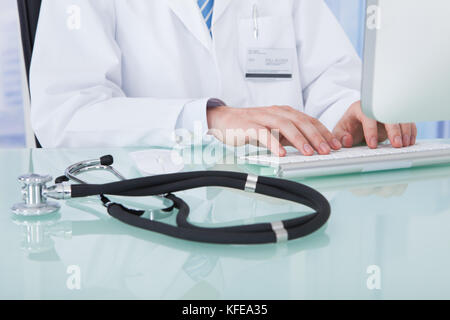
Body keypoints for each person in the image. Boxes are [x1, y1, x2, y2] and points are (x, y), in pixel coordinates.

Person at [30, 0, 417, 155]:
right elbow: (66, 113)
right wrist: (209, 120)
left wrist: (351, 113)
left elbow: (328, 80)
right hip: (144, 222)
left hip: (281, 212)